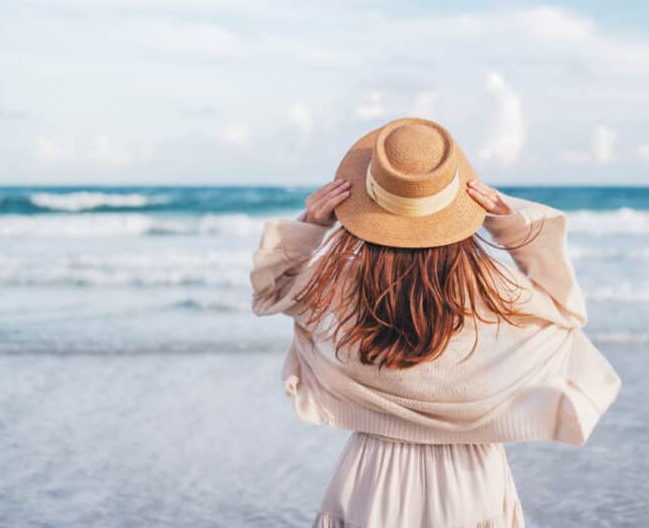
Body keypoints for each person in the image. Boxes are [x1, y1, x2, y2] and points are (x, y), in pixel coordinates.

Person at [250, 117, 621, 528]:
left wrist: (311, 224)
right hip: (473, 476)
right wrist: (512, 224)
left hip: (374, 473)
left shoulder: (341, 287)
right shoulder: (492, 293)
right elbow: (564, 312)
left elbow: (270, 291)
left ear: (370, 205)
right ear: (457, 203)